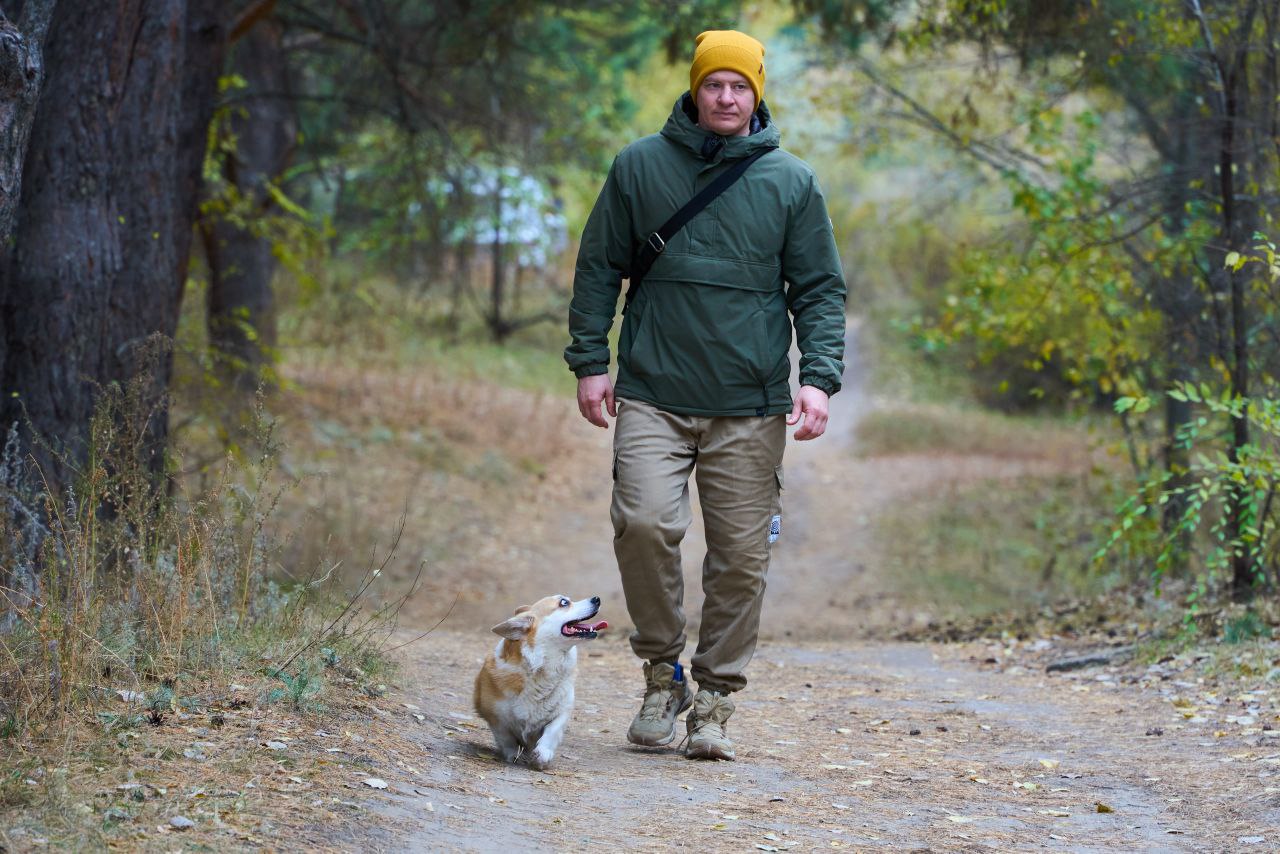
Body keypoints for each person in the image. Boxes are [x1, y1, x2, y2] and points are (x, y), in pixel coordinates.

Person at [564, 29, 846, 761]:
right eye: (713, 85)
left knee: (741, 558)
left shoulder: (792, 181)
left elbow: (818, 290)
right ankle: (663, 675)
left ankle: (715, 702)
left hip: (748, 404)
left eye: (739, 86)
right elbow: (599, 267)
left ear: (758, 94)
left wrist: (817, 378)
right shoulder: (638, 168)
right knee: (645, 525)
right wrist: (589, 361)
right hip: (654, 391)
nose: (726, 97)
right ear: (695, 90)